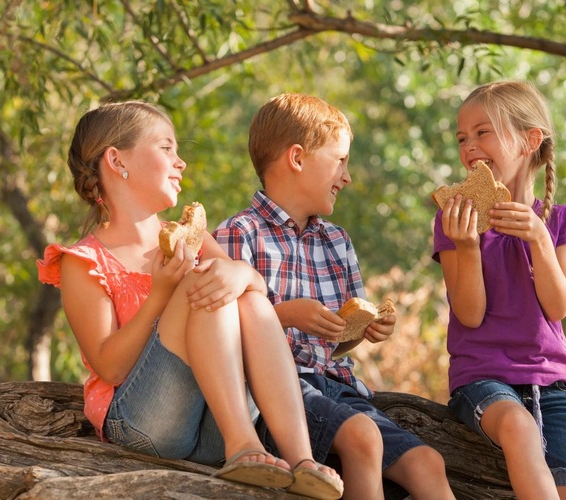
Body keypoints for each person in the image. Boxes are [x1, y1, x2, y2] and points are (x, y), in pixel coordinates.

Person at [36, 100, 343, 499]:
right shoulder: (85, 261)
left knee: (244, 294)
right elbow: (108, 367)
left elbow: (256, 291)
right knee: (203, 282)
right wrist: (162, 293)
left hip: (211, 426)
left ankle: (300, 459)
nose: (180, 162)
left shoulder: (191, 237)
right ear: (116, 160)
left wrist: (241, 273)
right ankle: (244, 446)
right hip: (144, 425)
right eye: (166, 148)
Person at [214, 93, 454, 500]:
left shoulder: (336, 241)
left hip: (337, 387)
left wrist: (363, 328)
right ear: (297, 158)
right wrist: (287, 315)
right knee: (362, 438)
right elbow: (222, 335)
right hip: (277, 391)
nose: (347, 177)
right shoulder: (240, 233)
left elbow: (336, 343)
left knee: (427, 463)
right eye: (340, 161)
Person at [433, 80, 566, 500]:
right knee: (518, 427)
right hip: (483, 379)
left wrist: (539, 239)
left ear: (529, 140)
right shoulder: (454, 223)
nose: (469, 146)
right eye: (462, 138)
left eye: (482, 132)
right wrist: (468, 247)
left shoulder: (562, 222)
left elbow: (557, 307)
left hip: (555, 384)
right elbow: (469, 314)